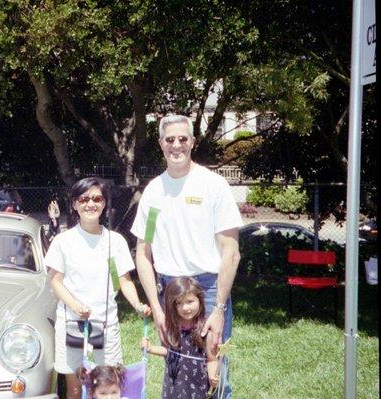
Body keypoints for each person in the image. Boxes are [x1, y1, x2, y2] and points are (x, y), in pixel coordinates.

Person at [130, 114, 242, 398]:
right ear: (160, 144)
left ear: (193, 141)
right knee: (176, 371)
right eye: (170, 140)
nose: (176, 145)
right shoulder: (154, 193)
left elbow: (231, 253)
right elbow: (143, 253)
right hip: (169, 292)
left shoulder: (213, 186)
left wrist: (217, 309)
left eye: (182, 139)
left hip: (207, 291)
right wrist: (156, 307)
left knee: (214, 375)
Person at [44, 177, 151, 399]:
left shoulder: (115, 241)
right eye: (83, 199)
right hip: (73, 326)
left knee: (107, 386)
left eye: (97, 198)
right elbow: (56, 281)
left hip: (106, 325)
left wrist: (138, 305)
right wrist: (76, 306)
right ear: (74, 204)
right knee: (75, 388)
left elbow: (122, 279)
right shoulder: (63, 241)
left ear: (104, 204)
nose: (90, 204)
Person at [141, 277, 219, 398]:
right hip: (174, 385)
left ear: (200, 300)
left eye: (190, 301)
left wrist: (213, 376)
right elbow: (169, 352)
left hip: (198, 386)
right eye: (179, 303)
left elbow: (212, 359)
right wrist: (150, 348)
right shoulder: (172, 327)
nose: (185, 308)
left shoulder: (205, 331)